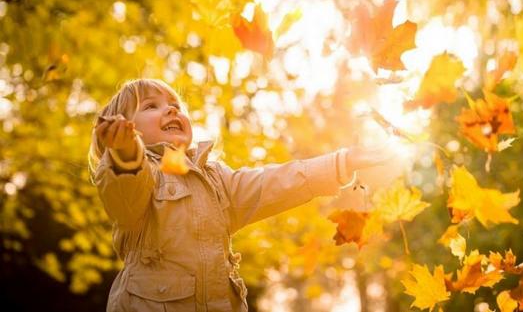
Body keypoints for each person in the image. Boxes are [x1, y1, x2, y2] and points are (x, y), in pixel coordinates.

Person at [89, 78, 397, 312]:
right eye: (151, 106)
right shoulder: (138, 175)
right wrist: (126, 154)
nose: (171, 109)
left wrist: (342, 162)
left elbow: (274, 182)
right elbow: (123, 197)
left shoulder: (216, 179)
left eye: (175, 105)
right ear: (127, 131)